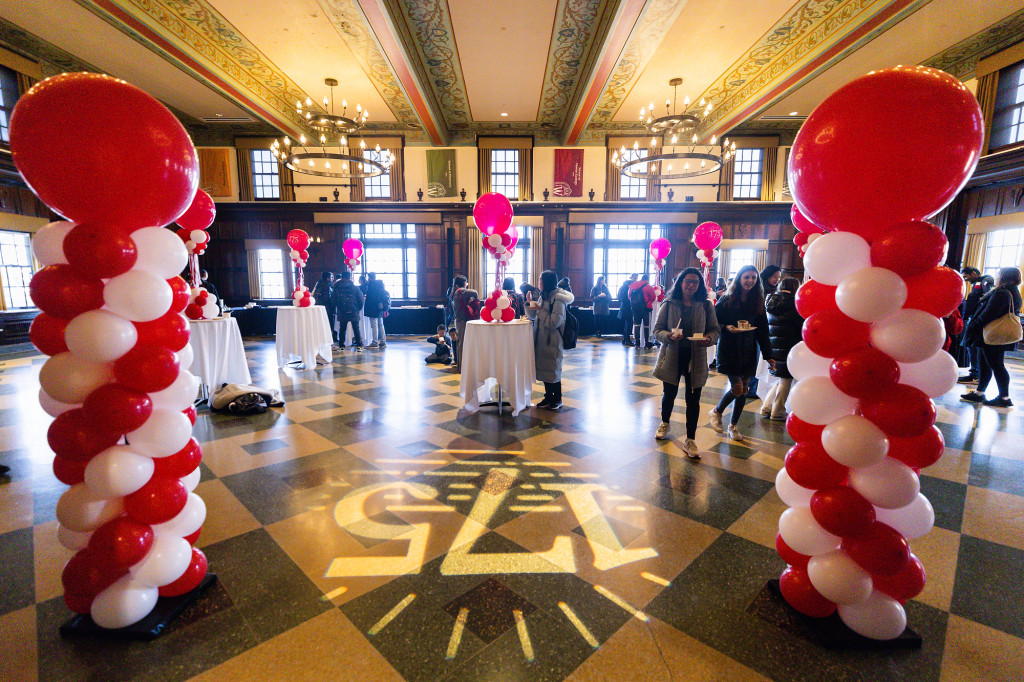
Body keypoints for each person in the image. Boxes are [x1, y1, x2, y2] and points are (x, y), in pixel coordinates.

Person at [653, 268, 720, 459]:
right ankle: (665, 422)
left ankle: (690, 439)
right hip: (673, 356)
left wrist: (708, 339)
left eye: (695, 282)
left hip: (696, 358)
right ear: (680, 283)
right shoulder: (669, 303)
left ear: (699, 285)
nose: (691, 285)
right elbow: (657, 331)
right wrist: (669, 336)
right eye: (687, 281)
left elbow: (715, 330)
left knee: (693, 400)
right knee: (669, 394)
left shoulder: (706, 305)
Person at [709, 265, 774, 441]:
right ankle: (717, 411)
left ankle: (733, 426)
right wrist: (726, 327)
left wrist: (769, 355)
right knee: (737, 388)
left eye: (753, 278)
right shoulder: (726, 299)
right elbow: (714, 322)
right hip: (730, 349)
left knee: (744, 390)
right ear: (739, 279)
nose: (750, 281)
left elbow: (763, 331)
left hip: (749, 350)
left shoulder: (757, 301)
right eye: (746, 277)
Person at [961, 266, 1022, 408]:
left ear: (1004, 277)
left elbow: (988, 313)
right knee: (984, 364)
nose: (996, 276)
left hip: (993, 334)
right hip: (991, 334)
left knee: (996, 365)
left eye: (998, 274)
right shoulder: (1012, 291)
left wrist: (974, 324)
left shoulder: (1002, 292)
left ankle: (1004, 397)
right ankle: (979, 393)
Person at [528, 270, 574, 409]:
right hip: (542, 338)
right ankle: (548, 397)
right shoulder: (544, 295)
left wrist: (540, 310)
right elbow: (535, 315)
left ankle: (557, 399)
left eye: (540, 280)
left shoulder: (558, 298)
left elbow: (554, 322)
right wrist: (530, 302)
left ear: (546, 282)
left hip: (553, 340)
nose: (538, 283)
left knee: (553, 370)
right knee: (545, 369)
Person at [760, 277, 803, 420]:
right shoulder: (793, 303)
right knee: (786, 378)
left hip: (774, 344)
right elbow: (800, 325)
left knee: (781, 378)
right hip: (789, 344)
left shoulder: (771, 300)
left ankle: (766, 407)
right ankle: (777, 411)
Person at [958, 267, 987, 384]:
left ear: (974, 273)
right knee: (970, 347)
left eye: (966, 276)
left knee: (974, 347)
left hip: (977, 320)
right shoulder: (978, 283)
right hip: (973, 319)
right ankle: (974, 373)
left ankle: (976, 375)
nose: (965, 279)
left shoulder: (985, 281)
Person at [331, 270, 364, 351]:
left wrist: (338, 308)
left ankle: (341, 345)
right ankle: (359, 345)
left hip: (342, 310)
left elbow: (333, 300)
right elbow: (361, 300)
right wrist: (357, 309)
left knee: (342, 328)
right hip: (353, 310)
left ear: (342, 277)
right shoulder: (355, 288)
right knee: (356, 329)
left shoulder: (337, 287)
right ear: (350, 277)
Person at [452, 275, 479, 372]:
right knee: (462, 344)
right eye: (466, 283)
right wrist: (476, 302)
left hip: (459, 321)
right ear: (464, 283)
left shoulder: (455, 292)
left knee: (461, 343)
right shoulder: (460, 291)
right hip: (462, 321)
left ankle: (462, 366)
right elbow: (475, 292)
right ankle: (462, 367)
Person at [629, 274, 656, 349]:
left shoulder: (633, 285)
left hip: (635, 308)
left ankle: (637, 343)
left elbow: (629, 296)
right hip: (645, 308)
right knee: (646, 325)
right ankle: (646, 343)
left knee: (637, 325)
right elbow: (653, 298)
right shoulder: (648, 286)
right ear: (647, 279)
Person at [363, 273, 390, 348]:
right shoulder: (380, 285)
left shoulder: (371, 285)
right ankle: (383, 341)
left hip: (372, 307)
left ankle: (374, 342)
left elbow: (367, 294)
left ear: (369, 278)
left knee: (374, 325)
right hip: (380, 308)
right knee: (380, 324)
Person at [312, 271, 336, 343]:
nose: (332, 279)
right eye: (331, 277)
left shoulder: (318, 283)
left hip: (319, 306)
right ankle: (328, 339)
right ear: (328, 278)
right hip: (327, 307)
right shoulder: (326, 285)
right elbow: (327, 298)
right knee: (328, 323)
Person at [617, 273, 638, 345]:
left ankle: (625, 339)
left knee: (627, 324)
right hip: (627, 307)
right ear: (631, 278)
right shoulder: (628, 287)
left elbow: (619, 297)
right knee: (629, 324)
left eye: (636, 278)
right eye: (635, 278)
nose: (636, 280)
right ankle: (627, 340)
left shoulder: (624, 286)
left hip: (625, 306)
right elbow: (622, 297)